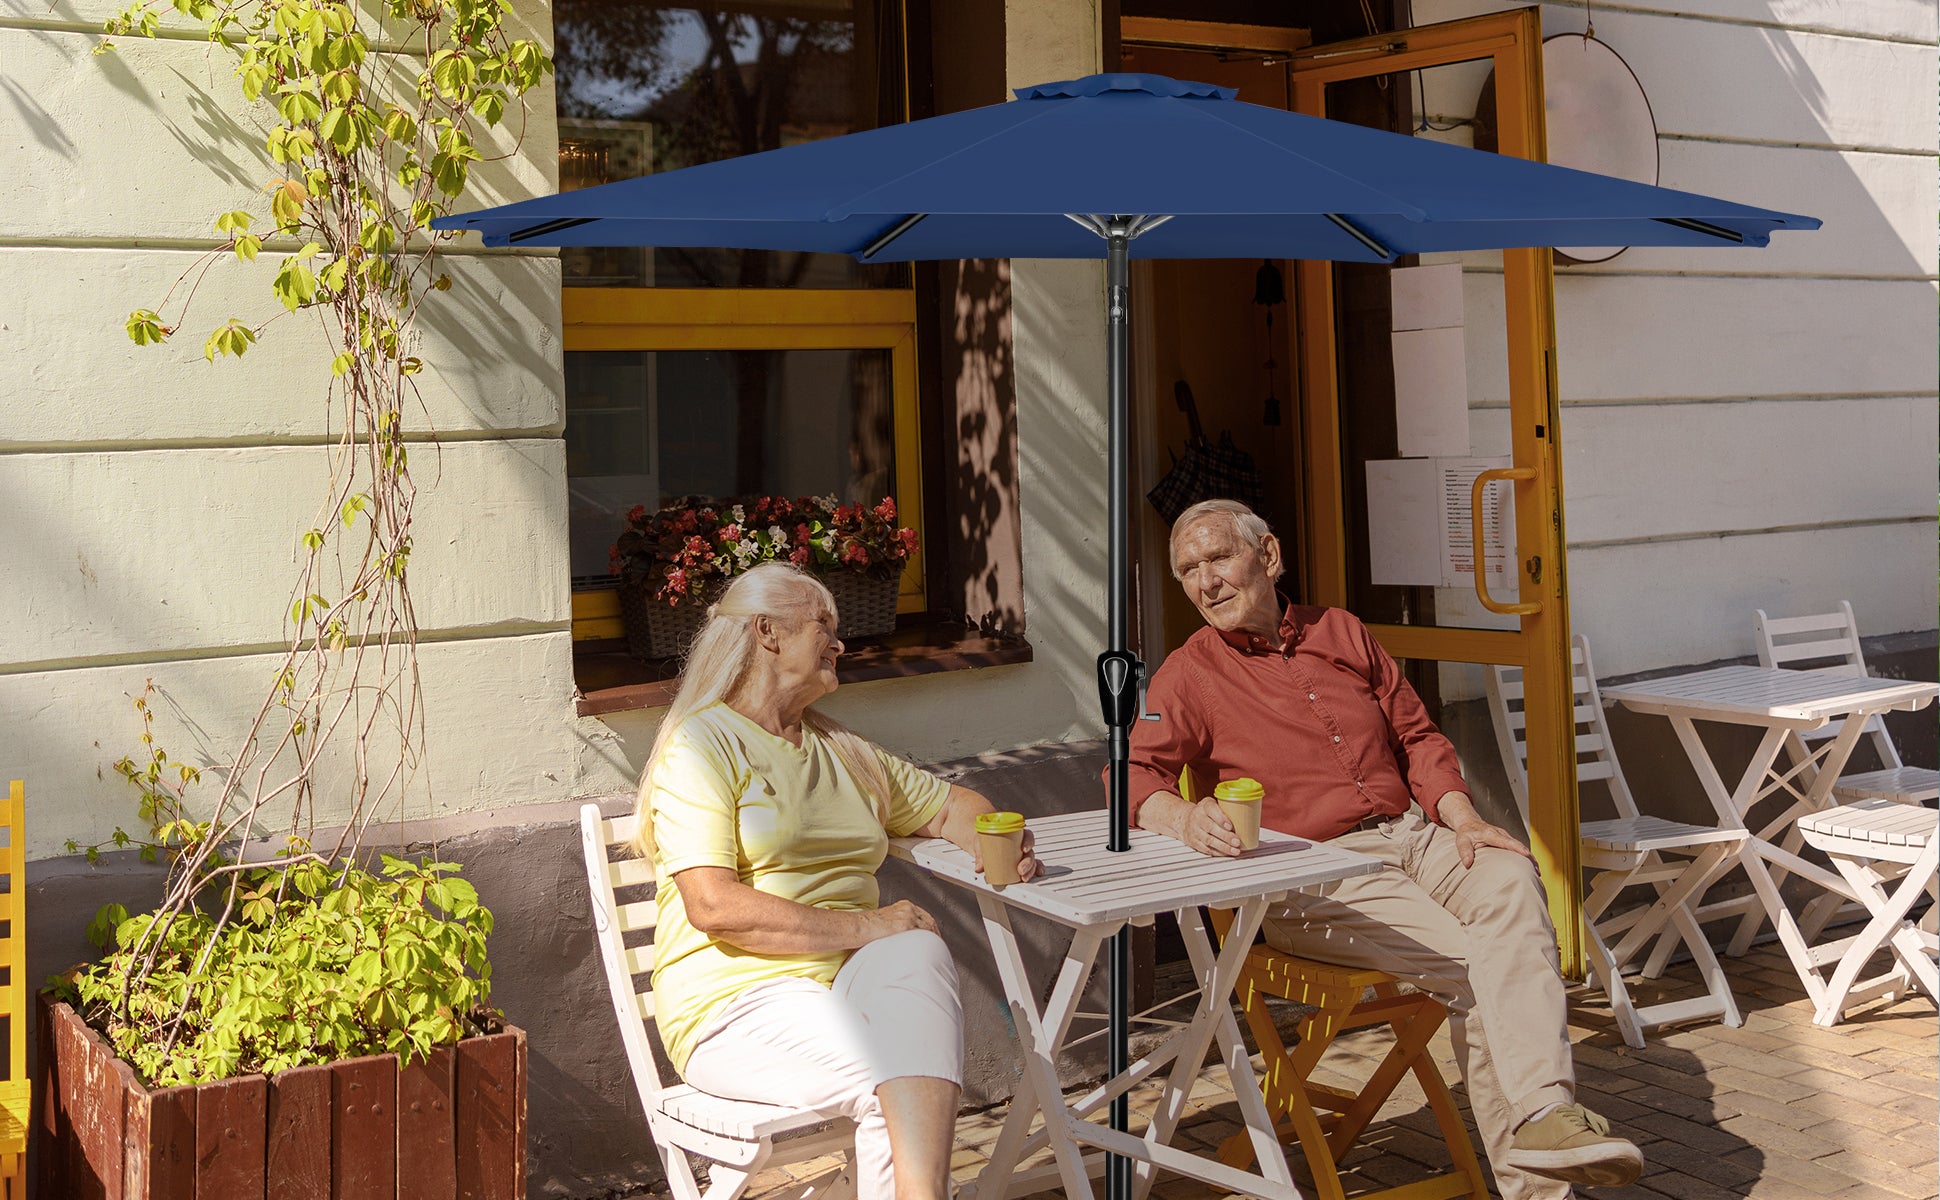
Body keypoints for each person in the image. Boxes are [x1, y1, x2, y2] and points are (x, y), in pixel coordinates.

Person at [1127, 499, 1643, 1199]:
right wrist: (1184, 819)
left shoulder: (1339, 630)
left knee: (1510, 876)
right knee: (1476, 967)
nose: (1205, 581)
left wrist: (1461, 816)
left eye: (1219, 558)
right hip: (1307, 873)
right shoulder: (1190, 674)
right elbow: (1129, 773)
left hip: (1410, 836)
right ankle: (1543, 1164)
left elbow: (1417, 735)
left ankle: (1544, 1116)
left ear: (1268, 556)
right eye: (1188, 570)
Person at [634, 562, 1039, 1200]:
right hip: (736, 1004)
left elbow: (950, 808)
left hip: (848, 987)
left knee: (917, 948)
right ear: (767, 632)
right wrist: (865, 925)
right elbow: (714, 906)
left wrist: (1003, 834)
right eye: (825, 624)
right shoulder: (703, 746)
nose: (840, 643)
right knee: (895, 1076)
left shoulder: (840, 749)